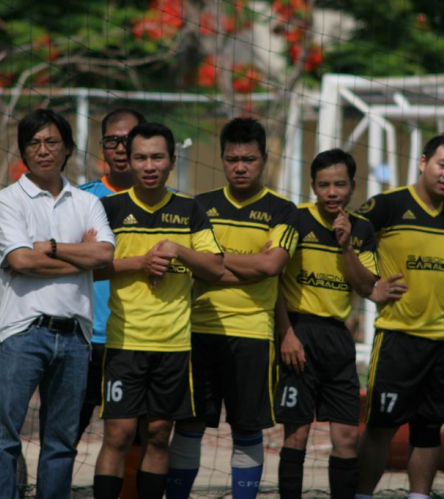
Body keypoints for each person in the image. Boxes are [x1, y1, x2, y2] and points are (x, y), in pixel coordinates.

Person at [0, 108, 115, 499]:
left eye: (52, 141)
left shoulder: (86, 202)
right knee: (4, 437)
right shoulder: (7, 201)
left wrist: (53, 249)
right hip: (23, 331)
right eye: (33, 143)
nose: (43, 150)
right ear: (24, 151)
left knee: (61, 443)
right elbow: (21, 261)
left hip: (75, 336)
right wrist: (80, 259)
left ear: (68, 148)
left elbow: (106, 256)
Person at [166, 117, 299, 499]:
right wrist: (246, 265)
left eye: (249, 159)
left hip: (253, 334)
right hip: (196, 331)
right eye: (232, 158)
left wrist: (213, 263)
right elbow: (195, 265)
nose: (240, 167)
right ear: (222, 159)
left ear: (264, 160)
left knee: (246, 429)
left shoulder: (282, 210)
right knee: (189, 426)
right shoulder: (199, 206)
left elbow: (272, 266)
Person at [93, 122, 224, 499]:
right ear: (128, 163)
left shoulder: (189, 209)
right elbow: (91, 269)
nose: (149, 165)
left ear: (171, 161)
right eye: (141, 157)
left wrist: (178, 250)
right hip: (124, 342)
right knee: (117, 435)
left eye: (157, 157)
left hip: (173, 346)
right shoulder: (109, 208)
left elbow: (215, 268)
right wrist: (141, 262)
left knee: (158, 434)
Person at [355, 133, 444, 499]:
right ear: (424, 162)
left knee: (428, 429)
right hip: (399, 340)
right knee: (380, 428)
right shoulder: (387, 206)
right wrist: (369, 287)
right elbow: (344, 238)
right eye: (443, 165)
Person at [275, 149, 378, 499]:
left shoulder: (361, 229)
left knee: (348, 437)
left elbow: (366, 287)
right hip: (299, 333)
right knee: (297, 434)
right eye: (324, 185)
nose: (332, 192)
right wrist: (286, 333)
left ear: (352, 187)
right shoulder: (294, 219)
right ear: (313, 187)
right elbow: (273, 280)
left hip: (338, 335)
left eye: (339, 184)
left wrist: (346, 245)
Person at [78, 109, 147, 439]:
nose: (121, 148)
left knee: (133, 438)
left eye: (129, 140)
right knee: (64, 435)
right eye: (112, 141)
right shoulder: (80, 199)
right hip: (85, 339)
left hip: (140, 337)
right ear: (101, 147)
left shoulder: (168, 202)